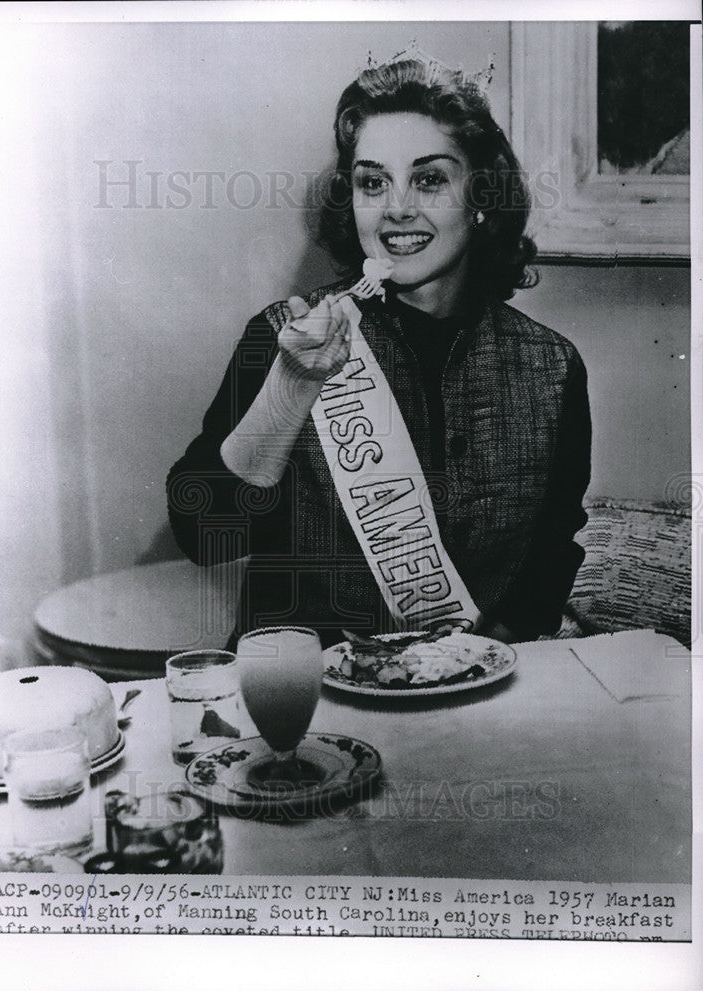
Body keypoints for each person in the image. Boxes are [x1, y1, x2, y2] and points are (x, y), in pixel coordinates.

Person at [167, 52, 591, 648]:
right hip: (310, 699)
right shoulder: (288, 335)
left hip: (472, 689)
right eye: (373, 182)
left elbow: (554, 546)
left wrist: (478, 658)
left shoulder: (551, 368)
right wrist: (291, 390)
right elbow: (204, 531)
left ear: (481, 197)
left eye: (429, 178)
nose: (397, 208)